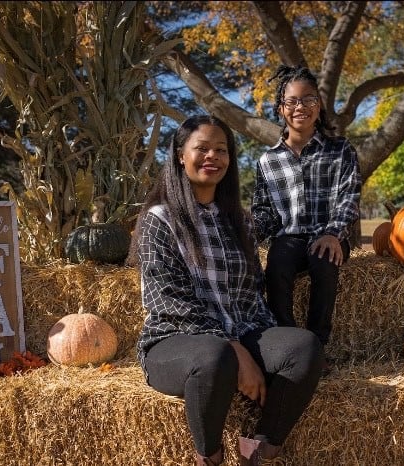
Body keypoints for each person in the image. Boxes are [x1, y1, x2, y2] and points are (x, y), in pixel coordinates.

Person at [128, 114, 323, 465]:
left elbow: (251, 294)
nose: (212, 157)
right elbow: (169, 300)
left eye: (221, 150)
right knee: (214, 357)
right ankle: (210, 458)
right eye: (201, 148)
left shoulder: (239, 221)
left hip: (241, 332)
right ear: (179, 155)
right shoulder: (160, 220)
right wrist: (234, 351)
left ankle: (260, 452)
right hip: (177, 340)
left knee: (303, 346)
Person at [251, 65, 362, 374]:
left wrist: (334, 232)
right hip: (289, 237)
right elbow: (264, 211)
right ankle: (287, 346)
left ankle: (316, 347)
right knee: (276, 269)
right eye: (292, 101)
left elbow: (349, 195)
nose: (300, 107)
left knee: (324, 265)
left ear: (319, 105)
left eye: (308, 99)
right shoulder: (268, 160)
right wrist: (246, 236)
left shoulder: (340, 150)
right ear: (280, 108)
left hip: (328, 233)